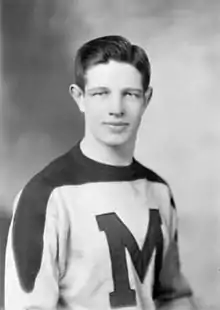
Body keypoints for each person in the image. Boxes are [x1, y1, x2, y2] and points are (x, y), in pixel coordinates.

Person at [5, 35, 198, 310]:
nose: (116, 109)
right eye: (101, 94)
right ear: (79, 97)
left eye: (129, 94)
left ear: (146, 99)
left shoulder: (158, 191)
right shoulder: (45, 197)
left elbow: (173, 296)